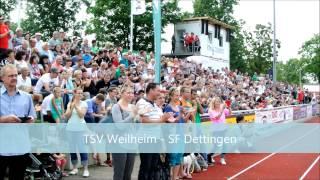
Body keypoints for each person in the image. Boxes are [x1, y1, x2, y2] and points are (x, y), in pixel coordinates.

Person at [0, 64, 36, 180]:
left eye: (16, 75)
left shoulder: (27, 97)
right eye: (10, 76)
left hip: (20, 147)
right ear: (2, 78)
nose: (14, 78)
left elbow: (33, 117)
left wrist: (30, 121)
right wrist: (3, 120)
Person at [136, 83, 171, 180]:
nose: (159, 93)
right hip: (146, 139)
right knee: (146, 167)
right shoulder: (142, 102)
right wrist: (162, 120)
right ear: (151, 90)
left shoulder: (155, 105)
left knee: (153, 166)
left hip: (156, 139)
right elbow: (145, 121)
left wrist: (167, 119)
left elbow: (160, 120)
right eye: (157, 91)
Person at [111, 85, 137, 180]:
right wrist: (132, 116)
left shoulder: (132, 106)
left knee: (128, 174)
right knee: (119, 173)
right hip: (119, 143)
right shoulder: (116, 107)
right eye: (128, 92)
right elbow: (119, 125)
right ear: (122, 94)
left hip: (131, 142)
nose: (131, 95)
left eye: (132, 93)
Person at [65, 88, 90, 177]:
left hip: (81, 129)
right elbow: (67, 116)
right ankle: (74, 168)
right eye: (78, 93)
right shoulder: (69, 103)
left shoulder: (84, 103)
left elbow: (81, 115)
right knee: (72, 149)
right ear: (74, 94)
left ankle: (86, 169)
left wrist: (75, 106)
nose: (80, 95)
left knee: (82, 148)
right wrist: (71, 107)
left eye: (81, 93)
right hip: (70, 129)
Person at [208, 97, 231, 165]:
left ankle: (222, 158)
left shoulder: (221, 107)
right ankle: (209, 156)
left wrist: (229, 107)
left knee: (225, 144)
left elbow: (229, 113)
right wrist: (222, 110)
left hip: (224, 128)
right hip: (215, 130)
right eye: (216, 102)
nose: (218, 103)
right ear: (213, 103)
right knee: (216, 145)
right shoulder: (211, 110)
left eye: (219, 101)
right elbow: (217, 117)